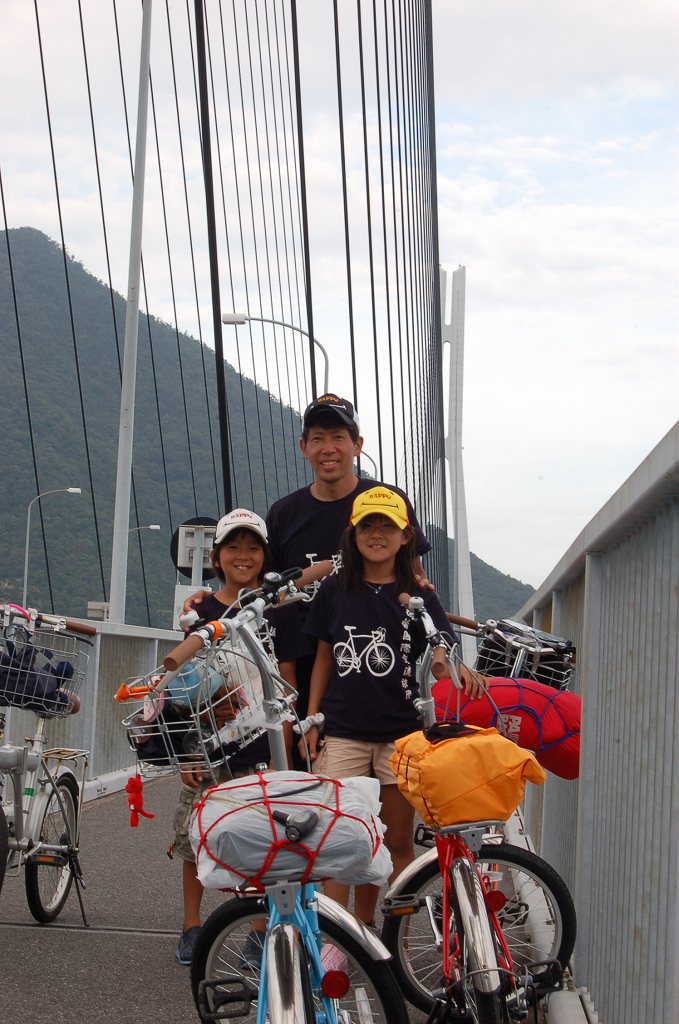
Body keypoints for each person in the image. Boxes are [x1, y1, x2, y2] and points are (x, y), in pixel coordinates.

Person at [185, 393, 432, 766]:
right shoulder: (284, 514)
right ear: (304, 448)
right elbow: (260, 586)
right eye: (317, 438)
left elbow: (415, 578)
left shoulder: (385, 500)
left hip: (375, 677)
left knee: (387, 782)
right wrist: (209, 595)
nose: (328, 449)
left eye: (338, 437)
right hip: (300, 669)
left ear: (357, 446)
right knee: (310, 786)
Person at [300, 486, 482, 928]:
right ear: (353, 533)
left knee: (396, 838)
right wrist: (312, 718)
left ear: (406, 537)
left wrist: (453, 668)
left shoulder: (418, 595)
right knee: (342, 838)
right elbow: (323, 657)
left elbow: (440, 648)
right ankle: (337, 938)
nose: (377, 534)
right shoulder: (335, 589)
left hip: (401, 734)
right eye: (368, 525)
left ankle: (382, 931)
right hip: (343, 730)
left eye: (388, 526)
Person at [172, 508, 306, 966]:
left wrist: (285, 746)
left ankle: (257, 929)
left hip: (262, 744)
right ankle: (192, 926)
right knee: (194, 836)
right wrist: (189, 750)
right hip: (210, 745)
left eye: (253, 547)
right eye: (233, 547)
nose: (243, 555)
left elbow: (287, 678)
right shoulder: (199, 612)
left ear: (266, 556)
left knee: (261, 840)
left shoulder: (279, 611)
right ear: (217, 557)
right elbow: (182, 685)